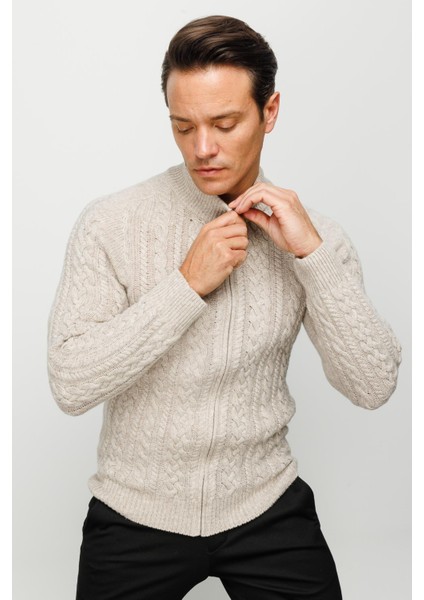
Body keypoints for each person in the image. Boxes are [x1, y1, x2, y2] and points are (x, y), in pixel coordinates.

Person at [47, 15, 402, 600]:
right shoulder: (111, 222)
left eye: (225, 123)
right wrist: (185, 286)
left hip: (266, 506)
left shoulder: (312, 237)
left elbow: (372, 385)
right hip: (134, 511)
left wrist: (313, 257)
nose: (203, 148)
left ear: (270, 111)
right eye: (183, 126)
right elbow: (70, 383)